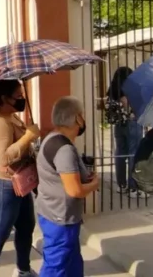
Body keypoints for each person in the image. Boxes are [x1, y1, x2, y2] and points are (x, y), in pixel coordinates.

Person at [0, 80, 38, 277]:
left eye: (23, 94)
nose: (22, 98)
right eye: (18, 96)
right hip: (1, 186)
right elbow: (3, 158)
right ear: (4, 98)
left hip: (18, 183)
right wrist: (27, 137)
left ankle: (23, 270)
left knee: (26, 226)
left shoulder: (10, 116)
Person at [36, 96, 98, 277]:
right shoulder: (64, 149)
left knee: (71, 263)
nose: (83, 119)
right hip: (60, 218)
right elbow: (74, 190)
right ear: (76, 118)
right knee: (56, 267)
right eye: (82, 115)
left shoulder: (52, 138)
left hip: (54, 213)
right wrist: (94, 184)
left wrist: (85, 177)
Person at [105, 67, 143, 197]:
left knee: (120, 153)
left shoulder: (112, 91)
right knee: (134, 153)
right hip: (132, 123)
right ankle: (133, 187)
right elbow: (131, 108)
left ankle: (121, 185)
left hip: (118, 125)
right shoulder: (127, 91)